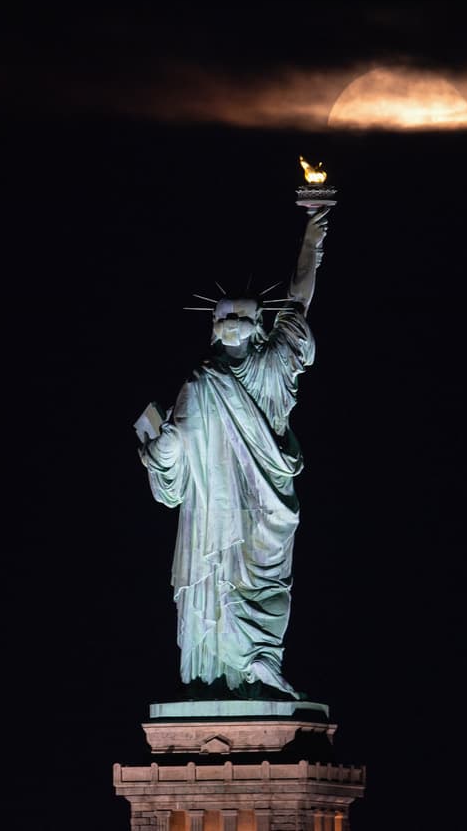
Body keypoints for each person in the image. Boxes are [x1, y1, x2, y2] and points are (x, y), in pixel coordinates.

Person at [137, 208, 329, 699]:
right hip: (214, 517)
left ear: (257, 324)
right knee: (220, 577)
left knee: (269, 589)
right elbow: (173, 473)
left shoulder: (272, 368)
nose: (232, 324)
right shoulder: (199, 386)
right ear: (214, 326)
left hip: (266, 510)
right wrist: (164, 450)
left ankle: (262, 661)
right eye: (224, 317)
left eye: (242, 316)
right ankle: (223, 673)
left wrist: (313, 236)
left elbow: (299, 303)